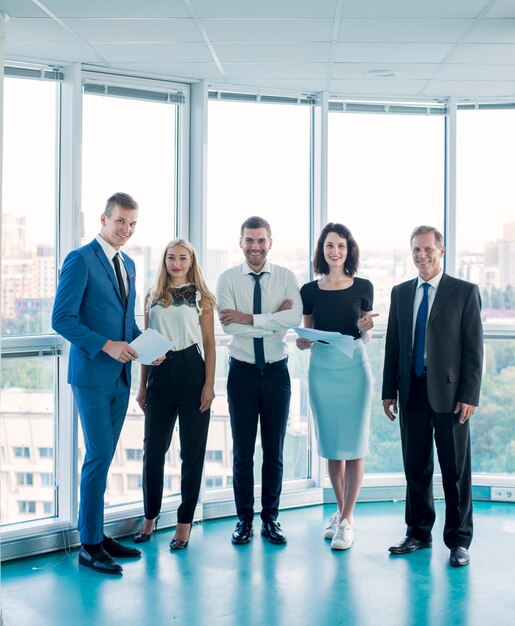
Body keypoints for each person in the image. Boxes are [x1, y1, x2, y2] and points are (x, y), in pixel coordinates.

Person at [52, 192, 144, 575]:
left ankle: (97, 532)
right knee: (98, 457)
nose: (125, 229)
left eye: (132, 224)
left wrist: (144, 346)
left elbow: (125, 321)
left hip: (120, 376)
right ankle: (89, 545)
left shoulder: (129, 264)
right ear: (103, 219)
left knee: (103, 459)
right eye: (120, 221)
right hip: (91, 377)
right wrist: (106, 346)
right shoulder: (80, 260)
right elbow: (62, 319)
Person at [382, 225, 483, 567]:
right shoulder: (400, 292)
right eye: (416, 250)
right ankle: (418, 532)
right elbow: (393, 346)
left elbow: (474, 348)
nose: (421, 255)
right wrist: (388, 391)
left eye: (427, 249)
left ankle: (459, 540)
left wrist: (470, 394)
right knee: (416, 467)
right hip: (411, 391)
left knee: (455, 471)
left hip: (453, 396)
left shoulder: (464, 292)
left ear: (441, 251)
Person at [216, 216, 302, 545]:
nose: (255, 247)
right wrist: (272, 320)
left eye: (261, 241)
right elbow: (229, 327)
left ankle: (271, 519)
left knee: (274, 451)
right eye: (249, 241)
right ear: (240, 242)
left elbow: (293, 319)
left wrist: (250, 317)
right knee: (242, 452)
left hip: (276, 373)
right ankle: (243, 520)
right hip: (242, 372)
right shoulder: (227, 279)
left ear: (270, 242)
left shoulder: (285, 277)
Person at [296, 223, 376, 550]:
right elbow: (307, 335)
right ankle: (341, 513)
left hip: (355, 368)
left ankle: (346, 519)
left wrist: (368, 326)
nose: (335, 251)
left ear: (349, 250)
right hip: (322, 369)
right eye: (330, 245)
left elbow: (366, 333)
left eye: (341, 246)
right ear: (322, 250)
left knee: (355, 447)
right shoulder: (309, 291)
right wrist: (302, 342)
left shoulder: (364, 286)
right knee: (332, 447)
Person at [134, 238, 216, 550]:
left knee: (191, 454)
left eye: (183, 258)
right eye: (171, 257)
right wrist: (142, 386)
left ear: (192, 261)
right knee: (153, 451)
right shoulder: (152, 297)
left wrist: (208, 386)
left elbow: (208, 344)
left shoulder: (202, 298)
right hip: (159, 372)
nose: (177, 263)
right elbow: (146, 341)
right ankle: (150, 516)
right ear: (164, 260)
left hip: (193, 371)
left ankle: (184, 523)